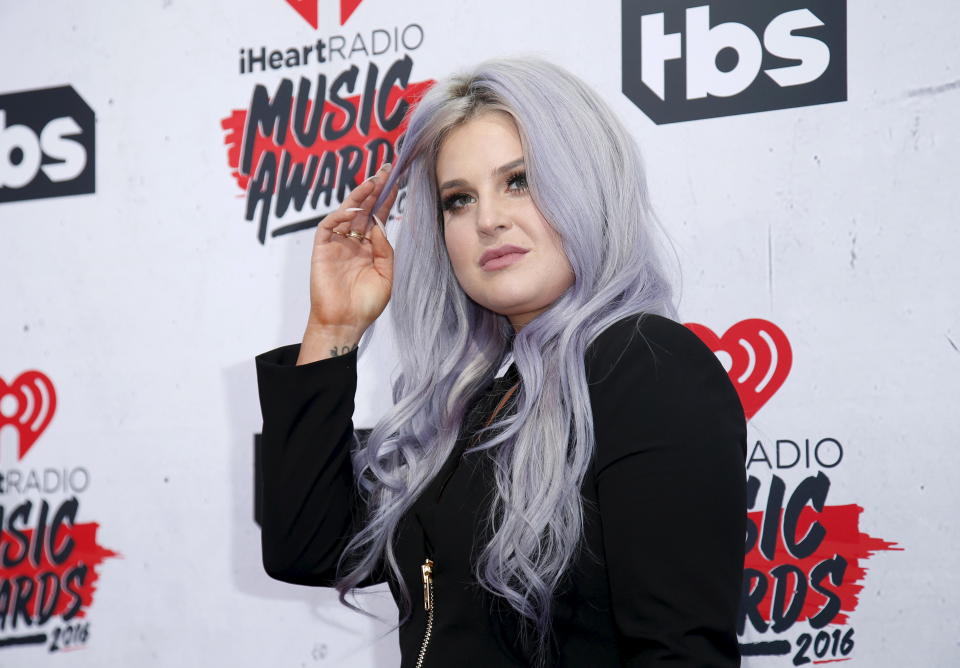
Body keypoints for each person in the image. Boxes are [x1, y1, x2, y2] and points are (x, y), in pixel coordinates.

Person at [254, 56, 747, 667]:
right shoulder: (473, 402)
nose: (488, 220)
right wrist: (333, 327)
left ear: (587, 188)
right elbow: (307, 545)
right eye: (458, 200)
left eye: (519, 181)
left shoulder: (644, 366)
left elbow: (681, 655)